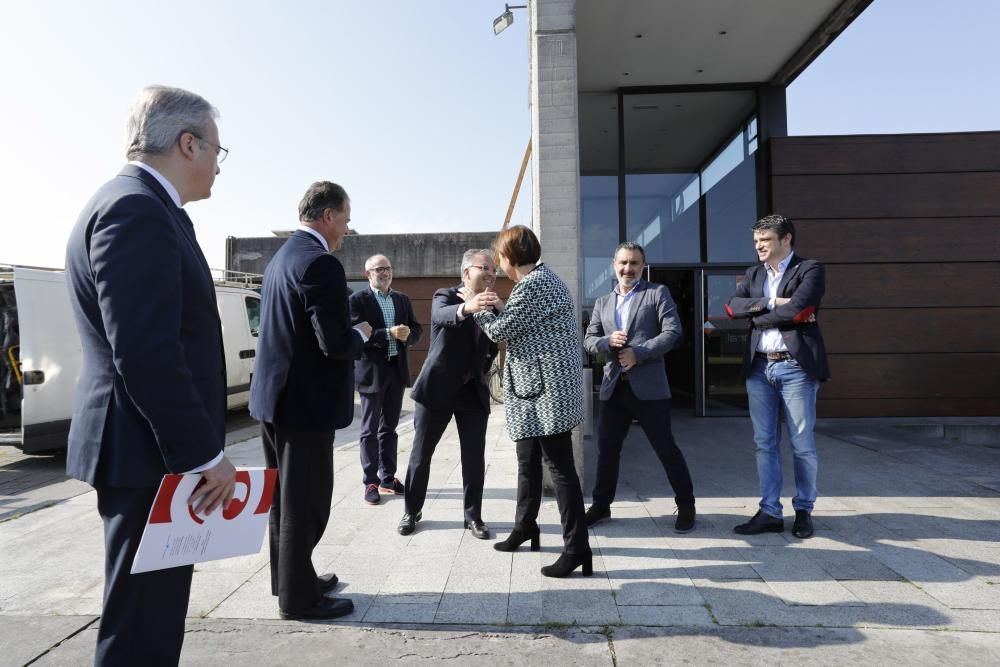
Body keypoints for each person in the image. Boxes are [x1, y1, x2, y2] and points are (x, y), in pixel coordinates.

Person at [64, 85, 237, 665]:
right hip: (147, 453)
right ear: (188, 144)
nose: (218, 162)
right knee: (142, 625)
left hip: (147, 449)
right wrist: (203, 454)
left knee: (153, 617)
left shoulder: (147, 206)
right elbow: (143, 352)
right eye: (217, 149)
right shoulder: (135, 208)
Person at [249, 181, 371, 619]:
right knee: (307, 500)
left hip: (276, 401)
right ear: (327, 216)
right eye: (346, 219)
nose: (346, 230)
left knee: (285, 498)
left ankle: (289, 580)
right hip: (303, 406)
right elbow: (334, 344)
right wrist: (361, 332)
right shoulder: (321, 264)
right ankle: (298, 598)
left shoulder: (283, 257)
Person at [473, 225, 591, 578]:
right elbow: (524, 322)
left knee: (560, 470)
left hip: (546, 395)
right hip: (535, 393)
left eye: (500, 256)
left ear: (509, 257)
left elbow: (500, 331)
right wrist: (501, 306)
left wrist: (480, 306)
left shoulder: (535, 283)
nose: (499, 263)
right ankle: (526, 526)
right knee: (527, 462)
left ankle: (577, 548)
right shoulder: (537, 282)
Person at [726, 213, 829, 539]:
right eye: (756, 241)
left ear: (786, 239)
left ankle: (804, 510)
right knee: (764, 444)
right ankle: (770, 511)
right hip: (759, 367)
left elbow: (800, 309)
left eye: (765, 240)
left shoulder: (810, 269)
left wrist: (758, 318)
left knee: (802, 445)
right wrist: (771, 301)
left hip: (795, 367)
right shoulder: (755, 273)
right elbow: (731, 307)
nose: (759, 246)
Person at [583, 242, 697, 532]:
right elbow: (589, 339)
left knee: (666, 449)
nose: (628, 268)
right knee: (607, 451)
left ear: (643, 266)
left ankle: (686, 506)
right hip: (613, 388)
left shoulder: (657, 294)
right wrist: (607, 343)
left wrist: (639, 352)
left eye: (634, 263)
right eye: (623, 263)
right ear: (614, 264)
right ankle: (601, 505)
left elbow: (673, 332)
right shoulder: (602, 302)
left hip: (649, 388)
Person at [397, 249, 500, 539]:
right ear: (467, 272)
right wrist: (469, 307)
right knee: (420, 455)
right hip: (437, 389)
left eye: (494, 269)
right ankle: (411, 510)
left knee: (474, 457)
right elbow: (441, 317)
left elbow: (493, 343)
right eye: (486, 268)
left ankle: (473, 517)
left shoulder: (492, 305)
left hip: (472, 391)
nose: (492, 273)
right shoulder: (445, 294)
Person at [349, 254, 422, 505]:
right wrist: (387, 333)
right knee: (369, 430)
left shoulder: (401, 299)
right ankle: (370, 481)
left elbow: (416, 329)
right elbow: (356, 333)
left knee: (389, 429)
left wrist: (408, 335)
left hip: (396, 371)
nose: (385, 272)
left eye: (388, 268)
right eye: (379, 269)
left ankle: (388, 477)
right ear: (367, 273)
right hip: (372, 372)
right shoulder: (358, 300)